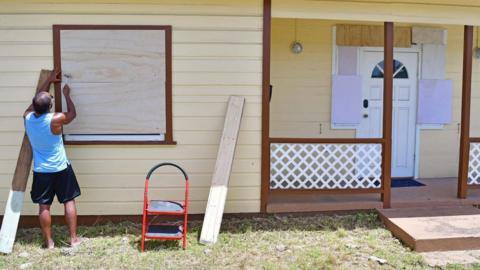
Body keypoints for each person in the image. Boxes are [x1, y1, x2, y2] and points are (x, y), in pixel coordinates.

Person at [23, 72, 81, 249]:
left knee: (44, 207)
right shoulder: (55, 120)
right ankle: (73, 239)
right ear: (50, 107)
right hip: (61, 168)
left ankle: (49, 242)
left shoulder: (27, 117)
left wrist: (48, 81)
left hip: (42, 171)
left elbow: (37, 102)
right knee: (68, 201)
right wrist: (66, 95)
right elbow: (72, 114)